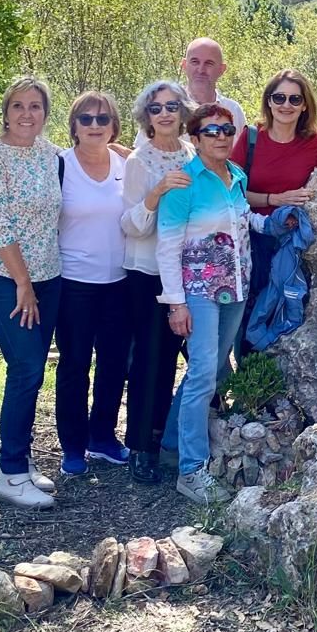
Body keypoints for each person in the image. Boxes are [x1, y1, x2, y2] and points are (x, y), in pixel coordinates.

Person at [156, 103, 261, 505]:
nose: (220, 136)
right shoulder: (184, 183)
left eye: (226, 129)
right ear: (195, 138)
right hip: (198, 293)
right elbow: (167, 246)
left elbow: (243, 222)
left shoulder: (236, 177)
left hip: (236, 289)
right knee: (202, 374)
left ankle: (170, 444)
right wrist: (175, 304)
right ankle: (191, 471)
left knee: (213, 371)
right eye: (211, 131)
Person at [0, 77, 64, 509]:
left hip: (49, 276)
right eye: (19, 106)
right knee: (25, 367)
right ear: (5, 112)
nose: (28, 114)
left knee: (34, 370)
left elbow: (93, 156)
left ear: (45, 113)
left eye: (36, 106)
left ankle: (21, 462)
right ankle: (9, 472)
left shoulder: (48, 154)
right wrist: (23, 282)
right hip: (4, 278)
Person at [50, 91, 131, 477]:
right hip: (73, 284)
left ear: (114, 126)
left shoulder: (126, 166)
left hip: (119, 283)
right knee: (74, 366)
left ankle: (102, 437)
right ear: (74, 127)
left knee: (114, 364)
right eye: (86, 119)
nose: (95, 125)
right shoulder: (59, 166)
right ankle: (73, 446)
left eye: (102, 119)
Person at [118, 80, 193, 484]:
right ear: (146, 117)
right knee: (146, 360)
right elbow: (129, 224)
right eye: (156, 108)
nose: (164, 114)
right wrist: (159, 191)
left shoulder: (193, 154)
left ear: (183, 112)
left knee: (171, 358)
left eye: (171, 106)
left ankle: (162, 435)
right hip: (147, 275)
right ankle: (139, 448)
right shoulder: (139, 162)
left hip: (187, 273)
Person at [231, 68, 317, 305]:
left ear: (304, 106)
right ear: (269, 102)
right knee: (252, 314)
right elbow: (231, 195)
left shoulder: (314, 144)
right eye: (279, 98)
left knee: (289, 313)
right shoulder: (250, 139)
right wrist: (275, 199)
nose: (286, 105)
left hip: (295, 247)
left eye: (294, 99)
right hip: (253, 243)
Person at [181, 37, 246, 136]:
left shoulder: (234, 111)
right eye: (195, 62)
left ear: (221, 69)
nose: (201, 69)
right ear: (184, 65)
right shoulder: (169, 110)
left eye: (209, 63)